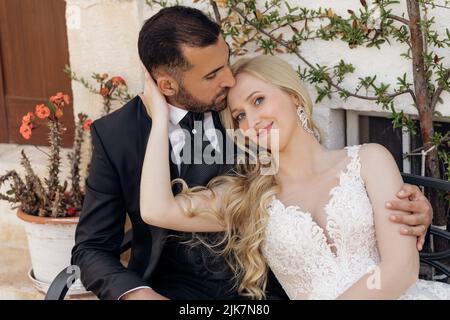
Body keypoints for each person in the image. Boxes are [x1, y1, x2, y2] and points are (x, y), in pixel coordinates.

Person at [72, 6, 433, 300]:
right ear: (166, 85)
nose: (228, 79)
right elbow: (95, 245)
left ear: (293, 95)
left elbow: (395, 261)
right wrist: (136, 294)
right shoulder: (117, 136)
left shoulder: (235, 97)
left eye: (227, 62)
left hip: (262, 296)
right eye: (215, 74)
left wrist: (406, 204)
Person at [139, 54, 450, 299]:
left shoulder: (370, 160)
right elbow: (156, 210)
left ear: (294, 97)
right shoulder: (248, 196)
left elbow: (401, 269)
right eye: (240, 116)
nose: (253, 120)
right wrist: (159, 121)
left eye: (258, 100)